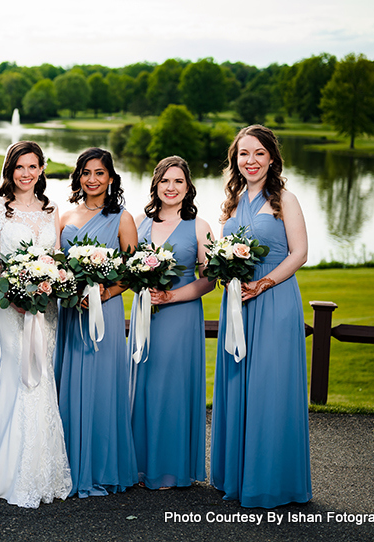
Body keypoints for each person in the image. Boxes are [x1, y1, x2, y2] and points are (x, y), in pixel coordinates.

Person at [210, 125, 312, 508]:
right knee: (238, 383)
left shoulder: (285, 199)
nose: (250, 161)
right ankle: (236, 476)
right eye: (243, 154)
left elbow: (299, 253)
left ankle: (270, 481)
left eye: (258, 154)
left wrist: (264, 283)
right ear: (235, 160)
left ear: (272, 158)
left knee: (270, 387)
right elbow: (223, 250)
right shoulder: (232, 201)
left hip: (274, 300)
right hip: (238, 303)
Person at [0, 141, 72, 507]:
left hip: (45, 306)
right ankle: (5, 470)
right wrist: (14, 294)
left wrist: (49, 285)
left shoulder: (51, 208)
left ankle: (41, 469)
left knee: (42, 374)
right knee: (16, 369)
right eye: (19, 167)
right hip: (9, 304)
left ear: (42, 169)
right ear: (9, 170)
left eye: (33, 167)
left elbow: (56, 257)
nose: (26, 174)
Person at [54, 147, 137, 498]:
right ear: (78, 177)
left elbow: (133, 271)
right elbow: (56, 266)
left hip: (107, 309)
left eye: (100, 173)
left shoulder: (122, 218)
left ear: (111, 178)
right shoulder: (64, 217)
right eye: (86, 172)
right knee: (70, 383)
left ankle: (103, 466)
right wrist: (73, 289)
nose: (92, 179)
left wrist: (103, 294)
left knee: (104, 385)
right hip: (73, 311)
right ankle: (67, 464)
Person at [128, 156, 215, 490]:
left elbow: (208, 279)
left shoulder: (199, 226)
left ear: (187, 187)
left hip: (180, 315)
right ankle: (138, 463)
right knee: (145, 383)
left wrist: (172, 297)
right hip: (145, 312)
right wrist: (143, 287)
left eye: (178, 181)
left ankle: (169, 468)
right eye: (165, 181)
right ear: (156, 184)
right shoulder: (139, 222)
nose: (171, 187)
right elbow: (127, 268)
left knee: (172, 388)